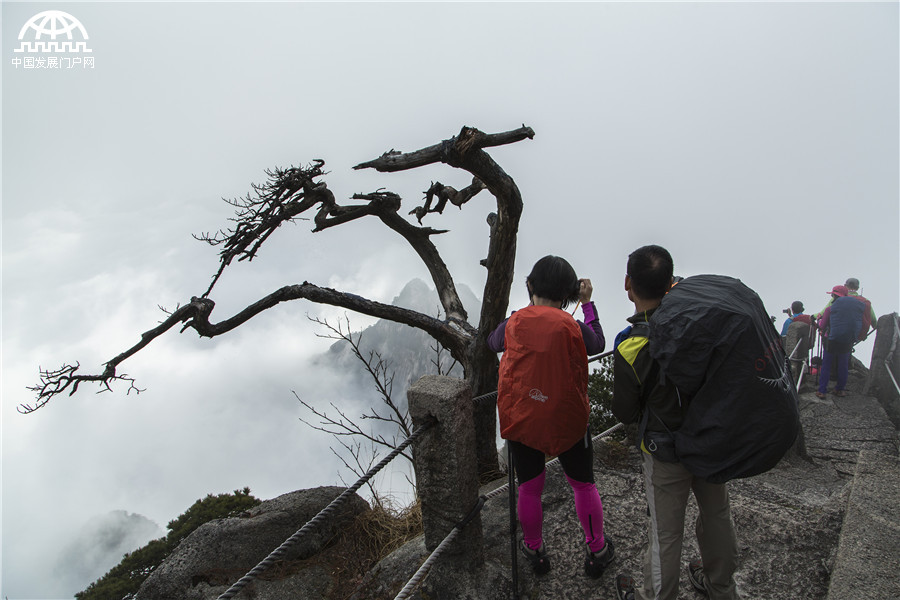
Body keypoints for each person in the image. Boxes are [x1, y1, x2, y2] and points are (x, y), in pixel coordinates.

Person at [611, 245, 740, 600]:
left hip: (665, 449)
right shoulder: (701, 323)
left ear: (628, 284)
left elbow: (625, 411)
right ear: (671, 283)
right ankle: (721, 587)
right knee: (717, 514)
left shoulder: (631, 345)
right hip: (711, 438)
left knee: (666, 533)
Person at [487, 255, 614, 579]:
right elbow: (597, 342)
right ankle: (596, 550)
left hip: (523, 420)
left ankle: (535, 550)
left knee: (530, 489)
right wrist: (588, 304)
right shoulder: (572, 325)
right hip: (567, 421)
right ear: (569, 295)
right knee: (583, 486)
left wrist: (519, 316)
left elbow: (492, 342)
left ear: (529, 285)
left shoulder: (514, 323)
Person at [816, 284, 866, 399]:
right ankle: (840, 389)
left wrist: (819, 322)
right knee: (843, 364)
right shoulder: (855, 309)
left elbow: (822, 325)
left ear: (834, 295)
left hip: (831, 340)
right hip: (848, 340)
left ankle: (822, 391)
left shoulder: (830, 308)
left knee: (826, 364)